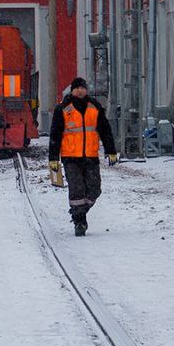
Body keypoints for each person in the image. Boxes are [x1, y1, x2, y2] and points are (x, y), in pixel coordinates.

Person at [48, 77, 117, 236]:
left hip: (91, 156)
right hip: (70, 157)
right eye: (77, 88)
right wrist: (53, 158)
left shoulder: (95, 107)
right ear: (72, 90)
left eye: (82, 88)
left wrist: (111, 151)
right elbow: (55, 135)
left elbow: (105, 131)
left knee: (95, 188)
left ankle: (79, 211)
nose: (80, 91)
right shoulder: (63, 109)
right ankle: (79, 221)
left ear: (86, 90)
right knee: (77, 189)